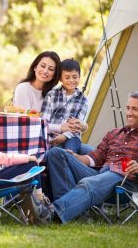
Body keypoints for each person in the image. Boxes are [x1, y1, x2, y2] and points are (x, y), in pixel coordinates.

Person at [40, 91, 138, 224]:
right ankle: (75, 213)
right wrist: (75, 157)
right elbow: (97, 157)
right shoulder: (114, 133)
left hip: (122, 180)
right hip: (100, 172)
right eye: (128, 108)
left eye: (135, 109)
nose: (129, 113)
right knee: (56, 153)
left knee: (89, 183)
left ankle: (51, 212)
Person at [13, 51, 92, 154]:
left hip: (69, 137)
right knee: (58, 154)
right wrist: (61, 128)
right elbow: (27, 124)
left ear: (55, 74)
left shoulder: (52, 91)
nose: (46, 71)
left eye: (51, 69)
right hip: (33, 138)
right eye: (42, 66)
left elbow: (79, 122)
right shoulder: (25, 89)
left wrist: (83, 126)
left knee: (90, 152)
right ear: (35, 67)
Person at [41, 58, 88, 153]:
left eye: (75, 77)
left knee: (70, 152)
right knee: (52, 153)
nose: (71, 80)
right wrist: (56, 134)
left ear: (79, 76)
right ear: (60, 79)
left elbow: (78, 125)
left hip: (72, 137)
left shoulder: (83, 100)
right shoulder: (52, 95)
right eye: (67, 77)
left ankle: (69, 162)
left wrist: (64, 136)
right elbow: (44, 122)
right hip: (51, 136)